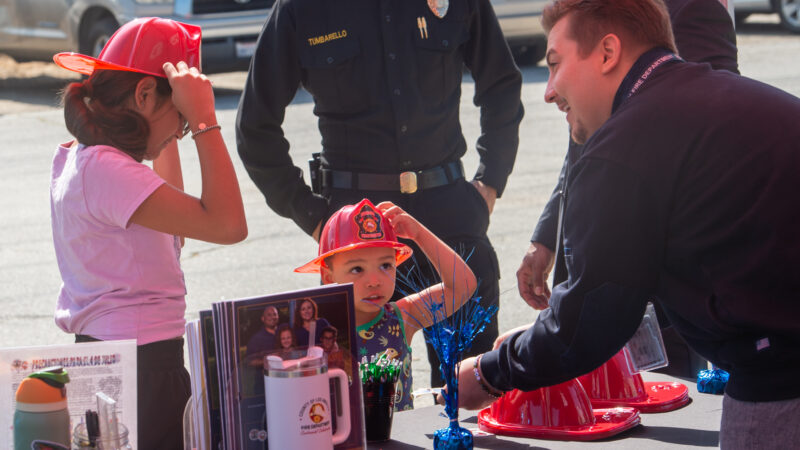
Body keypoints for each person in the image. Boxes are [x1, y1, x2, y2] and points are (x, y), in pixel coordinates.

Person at [456, 1, 800, 447]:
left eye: (555, 64)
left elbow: (590, 324)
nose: (548, 89)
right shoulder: (704, 95)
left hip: (781, 379)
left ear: (607, 52)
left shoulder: (625, 146)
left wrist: (489, 373)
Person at [235, 0, 524, 387]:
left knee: (471, 391)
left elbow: (501, 84)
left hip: (450, 219)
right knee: (365, 401)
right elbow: (255, 127)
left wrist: (490, 181)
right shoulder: (301, 8)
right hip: (358, 238)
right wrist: (314, 217)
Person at [50, 17, 247, 449]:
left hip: (119, 360)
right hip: (142, 366)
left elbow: (177, 223)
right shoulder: (107, 170)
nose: (180, 127)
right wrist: (204, 120)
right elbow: (228, 225)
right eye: (177, 114)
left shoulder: (81, 159)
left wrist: (164, 128)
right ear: (143, 95)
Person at [517, 0, 739, 378]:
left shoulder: (689, 7)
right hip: (595, 247)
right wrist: (547, 236)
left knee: (664, 402)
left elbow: (710, 116)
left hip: (657, 261)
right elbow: (583, 139)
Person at [295, 198, 477, 410]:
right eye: (357, 269)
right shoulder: (315, 332)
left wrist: (419, 234)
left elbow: (462, 286)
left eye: (385, 265)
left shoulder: (402, 317)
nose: (374, 281)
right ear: (328, 276)